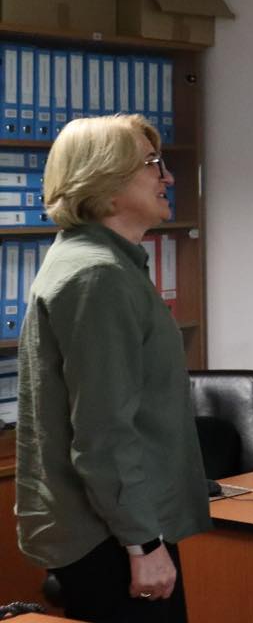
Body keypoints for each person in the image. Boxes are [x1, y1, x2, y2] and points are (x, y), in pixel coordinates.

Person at [15, 115, 211, 622]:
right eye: (152, 164)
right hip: (112, 537)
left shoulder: (101, 262)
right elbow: (102, 433)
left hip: (117, 525)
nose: (168, 177)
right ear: (104, 177)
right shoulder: (97, 276)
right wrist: (143, 544)